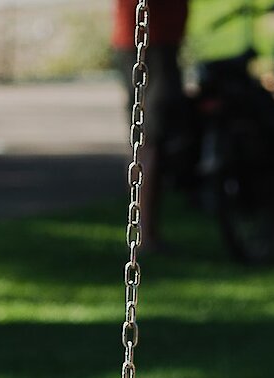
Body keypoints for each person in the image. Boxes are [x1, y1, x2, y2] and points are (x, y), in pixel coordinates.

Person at [112, 0, 190, 252]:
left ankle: (147, 229)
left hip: (157, 39)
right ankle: (145, 232)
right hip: (148, 41)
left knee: (150, 138)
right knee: (148, 139)